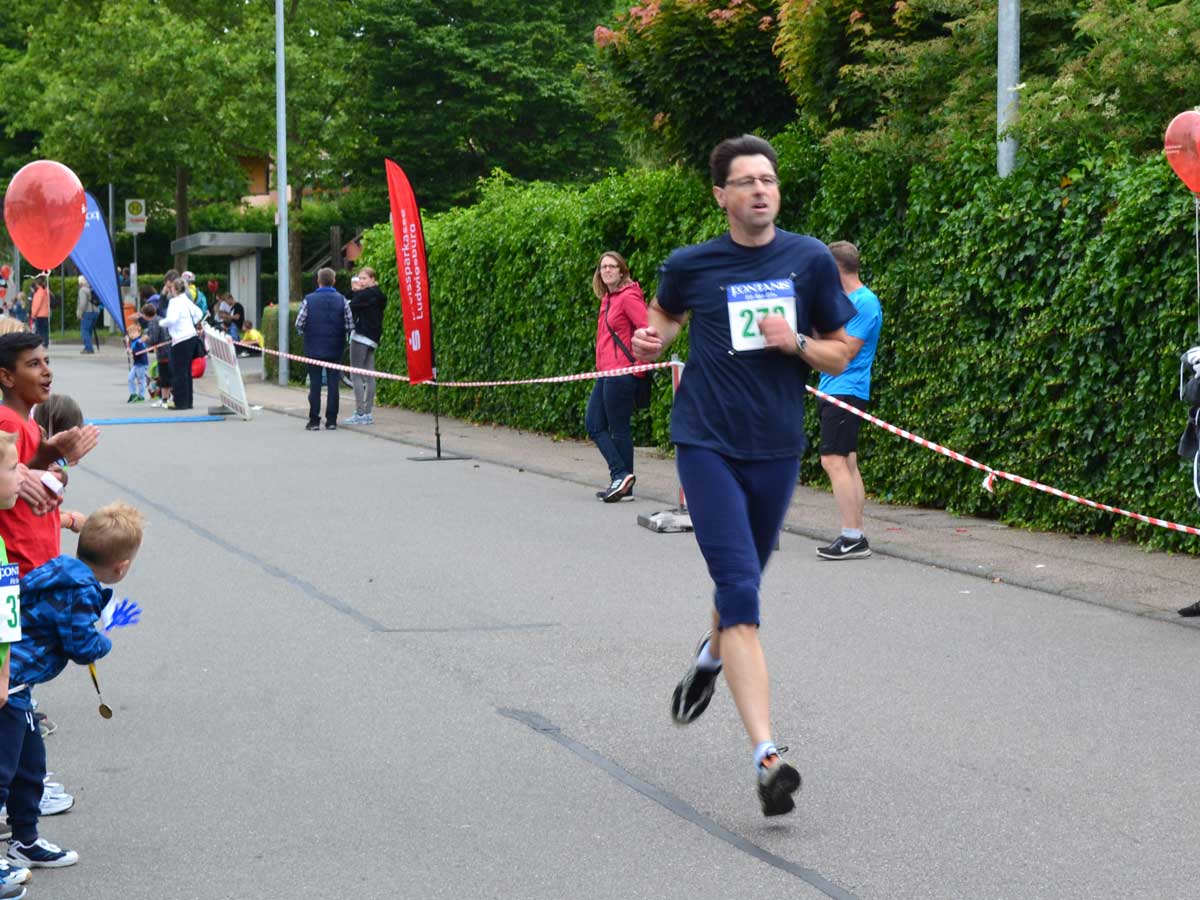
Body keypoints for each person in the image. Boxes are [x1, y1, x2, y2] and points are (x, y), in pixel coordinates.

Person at [631, 135, 857, 817]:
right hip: (705, 442)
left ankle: (710, 659)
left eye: (769, 179)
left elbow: (841, 355)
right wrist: (652, 338)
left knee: (743, 587)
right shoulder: (691, 264)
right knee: (739, 590)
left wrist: (799, 343)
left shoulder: (809, 260)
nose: (761, 190)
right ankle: (767, 758)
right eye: (746, 181)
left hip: (776, 448)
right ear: (721, 195)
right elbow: (666, 316)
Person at [5, 502, 144, 871]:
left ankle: (25, 841)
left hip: (18, 685)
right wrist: (105, 640)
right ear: (121, 567)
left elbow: (63, 611)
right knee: (4, 773)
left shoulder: (62, 568)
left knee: (29, 767)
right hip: (8, 684)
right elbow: (81, 646)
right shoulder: (79, 589)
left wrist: (98, 610)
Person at [815, 241, 883, 560]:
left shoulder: (865, 302)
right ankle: (857, 534)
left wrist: (806, 340)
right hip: (834, 388)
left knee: (832, 460)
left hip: (846, 389)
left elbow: (848, 350)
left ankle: (851, 536)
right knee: (848, 462)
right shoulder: (842, 301)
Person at [586, 252, 648, 502]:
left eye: (613, 266)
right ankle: (623, 480)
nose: (608, 270)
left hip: (621, 372)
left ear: (622, 271)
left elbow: (646, 330)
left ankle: (621, 478)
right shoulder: (607, 299)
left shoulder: (628, 297)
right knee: (594, 424)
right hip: (606, 372)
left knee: (618, 429)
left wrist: (638, 368)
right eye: (604, 267)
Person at [296, 267, 352, 431]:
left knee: (315, 384)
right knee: (333, 384)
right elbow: (349, 324)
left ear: (318, 281)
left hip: (313, 347)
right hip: (335, 348)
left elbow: (299, 323)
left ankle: (314, 420)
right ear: (334, 281)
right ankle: (332, 420)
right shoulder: (342, 300)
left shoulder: (309, 300)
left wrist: (306, 334)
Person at [345, 267, 387, 426]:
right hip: (373, 338)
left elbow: (349, 307)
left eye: (364, 278)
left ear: (372, 279)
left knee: (355, 374)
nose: (361, 282)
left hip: (360, 336)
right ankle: (368, 413)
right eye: (359, 278)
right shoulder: (379, 295)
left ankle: (360, 413)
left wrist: (355, 292)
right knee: (370, 375)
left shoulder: (365, 295)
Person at [161, 277, 203, 410]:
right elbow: (199, 313)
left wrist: (161, 322)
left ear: (174, 289)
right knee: (186, 371)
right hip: (191, 336)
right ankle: (188, 401)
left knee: (178, 371)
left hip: (180, 339)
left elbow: (172, 319)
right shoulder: (187, 300)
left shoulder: (174, 302)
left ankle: (180, 402)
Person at [142, 302, 172, 407]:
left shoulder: (153, 322)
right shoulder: (160, 319)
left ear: (145, 315)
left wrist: (146, 339)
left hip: (163, 352)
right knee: (167, 375)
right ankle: (166, 398)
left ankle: (164, 399)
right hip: (169, 350)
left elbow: (154, 339)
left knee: (164, 376)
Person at [125, 325, 150, 403]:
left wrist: (131, 351)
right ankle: (133, 394)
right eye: (130, 333)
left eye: (134, 332)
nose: (132, 334)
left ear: (139, 333)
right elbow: (132, 350)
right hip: (136, 364)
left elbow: (140, 351)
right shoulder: (133, 341)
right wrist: (129, 349)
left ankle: (141, 396)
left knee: (141, 380)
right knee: (130, 378)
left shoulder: (140, 341)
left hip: (142, 364)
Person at [76, 277, 97, 355]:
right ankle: (88, 346)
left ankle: (88, 348)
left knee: (84, 330)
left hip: (87, 312)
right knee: (89, 331)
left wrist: (80, 313)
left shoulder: (82, 290)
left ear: (80, 282)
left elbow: (83, 303)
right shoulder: (91, 289)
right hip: (95, 312)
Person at [28, 281, 48, 349]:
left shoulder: (39, 292)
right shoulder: (44, 291)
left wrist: (34, 314)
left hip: (39, 314)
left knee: (39, 330)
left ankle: (41, 343)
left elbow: (37, 305)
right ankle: (45, 343)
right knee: (44, 330)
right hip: (44, 314)